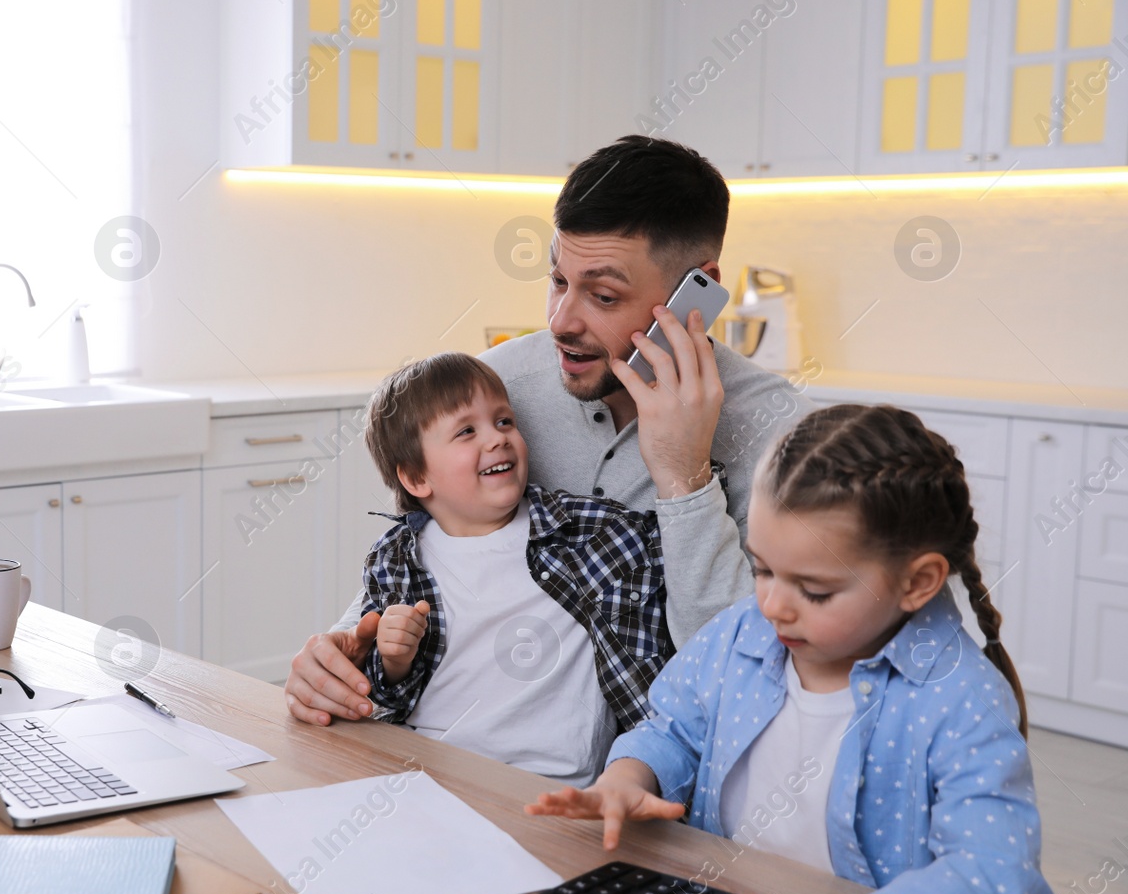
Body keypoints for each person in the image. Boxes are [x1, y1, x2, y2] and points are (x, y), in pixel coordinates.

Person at [286, 135, 811, 728]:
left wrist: (685, 479)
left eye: (604, 295)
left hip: (664, 787)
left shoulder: (779, 436)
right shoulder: (500, 388)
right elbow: (425, 555)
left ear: (700, 288)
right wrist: (341, 649)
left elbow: (748, 673)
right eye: (558, 281)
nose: (562, 322)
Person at [527, 404, 1052, 894]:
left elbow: (991, 881)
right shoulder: (741, 632)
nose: (773, 604)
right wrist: (626, 782)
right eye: (762, 569)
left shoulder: (963, 701)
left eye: (815, 590)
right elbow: (671, 730)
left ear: (917, 582)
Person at [357, 351, 669, 785]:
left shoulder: (590, 533)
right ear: (415, 478)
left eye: (504, 421)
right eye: (467, 431)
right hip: (428, 773)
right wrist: (393, 660)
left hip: (555, 784)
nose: (497, 438)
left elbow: (677, 543)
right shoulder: (396, 559)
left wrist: (686, 465)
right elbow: (383, 695)